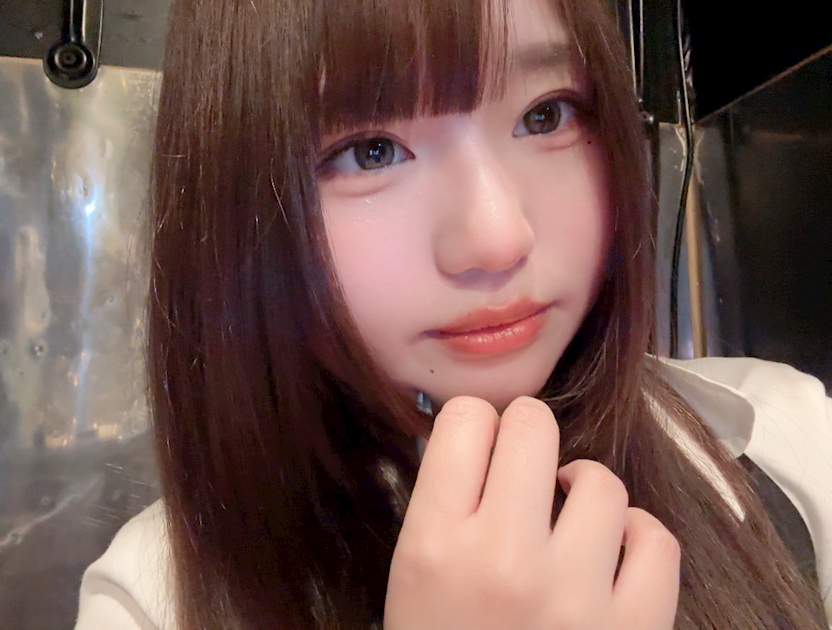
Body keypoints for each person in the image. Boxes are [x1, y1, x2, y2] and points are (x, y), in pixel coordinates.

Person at [75, 0, 832, 628]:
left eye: (545, 115)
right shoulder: (152, 602)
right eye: (371, 151)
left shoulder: (787, 443)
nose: (497, 238)